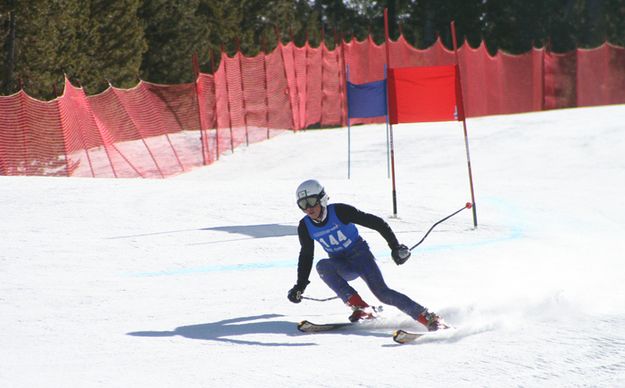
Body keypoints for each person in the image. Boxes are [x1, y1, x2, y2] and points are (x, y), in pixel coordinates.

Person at [287, 179, 448, 331]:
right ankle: (361, 307)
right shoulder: (305, 226)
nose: (308, 208)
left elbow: (377, 223)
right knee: (322, 266)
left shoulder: (340, 211)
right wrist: (300, 286)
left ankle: (430, 318)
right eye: (303, 204)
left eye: (311, 201)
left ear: (322, 199)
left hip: (361, 257)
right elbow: (306, 256)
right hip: (340, 264)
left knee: (383, 294)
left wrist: (395, 247)